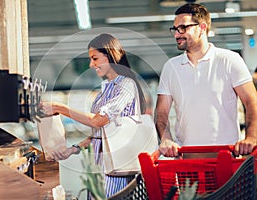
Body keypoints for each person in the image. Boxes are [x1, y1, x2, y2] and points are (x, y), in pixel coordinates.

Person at [40, 33, 146, 198]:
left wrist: (59, 107)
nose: (91, 64)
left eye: (95, 58)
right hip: (99, 168)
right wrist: (73, 149)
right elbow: (98, 134)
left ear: (110, 56)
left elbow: (98, 121)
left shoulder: (126, 85)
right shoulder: (103, 92)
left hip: (116, 169)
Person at [155, 3, 257, 157]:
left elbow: (252, 101)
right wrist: (166, 139)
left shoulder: (229, 60)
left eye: (183, 28)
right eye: (175, 29)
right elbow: (161, 112)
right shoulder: (171, 67)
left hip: (226, 156)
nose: (177, 34)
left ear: (202, 27)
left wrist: (251, 137)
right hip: (187, 157)